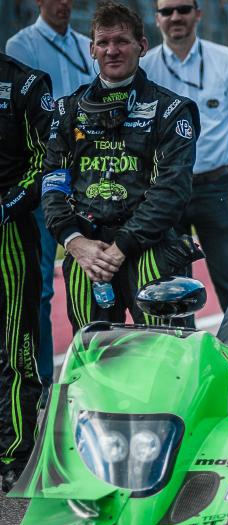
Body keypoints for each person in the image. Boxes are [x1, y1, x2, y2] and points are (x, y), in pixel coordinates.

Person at [41, 1, 202, 333]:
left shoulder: (170, 109)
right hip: (88, 253)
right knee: (92, 355)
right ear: (92, 49)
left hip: (151, 250)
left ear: (141, 46)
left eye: (121, 41)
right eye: (103, 42)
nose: (111, 50)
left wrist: (121, 248)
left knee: (165, 350)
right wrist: (73, 241)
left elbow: (172, 191)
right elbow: (52, 183)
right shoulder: (68, 110)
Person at [142, 0, 228, 312]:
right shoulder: (145, 66)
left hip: (215, 187)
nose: (175, 16)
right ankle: (182, 346)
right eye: (167, 11)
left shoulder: (226, 60)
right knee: (171, 290)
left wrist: (218, 160)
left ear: (198, 14)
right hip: (164, 191)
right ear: (157, 18)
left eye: (183, 9)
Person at [6, 0, 99, 388]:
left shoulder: (83, 43)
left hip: (88, 173)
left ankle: (92, 376)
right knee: (40, 286)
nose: (63, 4)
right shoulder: (21, 45)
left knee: (95, 276)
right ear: (39, 2)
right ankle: (43, 379)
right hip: (47, 174)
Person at [0, 54, 52, 494]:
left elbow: (47, 161)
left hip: (10, 236)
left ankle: (14, 455)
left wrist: (7, 205)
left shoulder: (25, 82)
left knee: (16, 350)